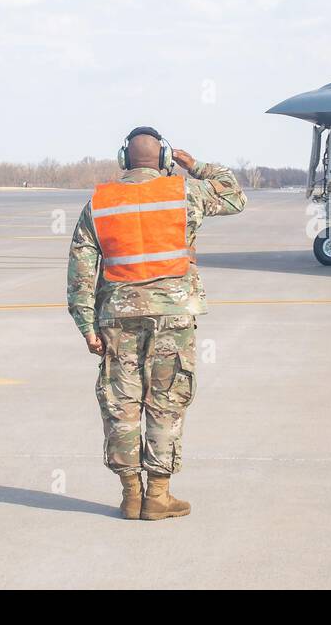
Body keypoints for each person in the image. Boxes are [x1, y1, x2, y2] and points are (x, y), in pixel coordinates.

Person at [66, 126, 246, 520]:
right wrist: (193, 164)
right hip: (173, 314)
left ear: (122, 159)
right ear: (163, 159)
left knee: (122, 404)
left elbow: (81, 271)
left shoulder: (100, 202)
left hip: (116, 316)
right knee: (166, 401)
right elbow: (235, 195)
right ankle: (158, 496)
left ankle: (131, 495)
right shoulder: (184, 191)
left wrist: (87, 326)